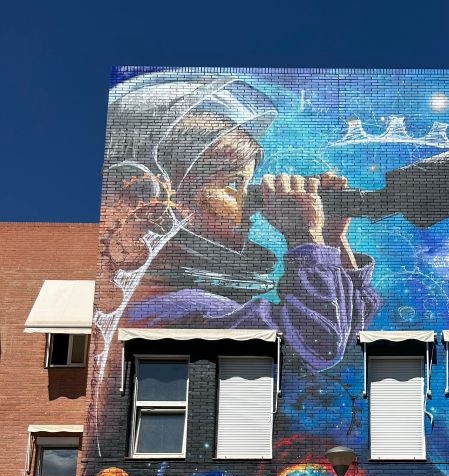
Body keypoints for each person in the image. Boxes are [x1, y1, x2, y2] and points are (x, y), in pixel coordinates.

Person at [101, 72, 380, 371]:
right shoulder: (175, 305)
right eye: (233, 184)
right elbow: (321, 342)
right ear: (159, 196)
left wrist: (330, 239)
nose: (249, 202)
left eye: (249, 185)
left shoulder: (196, 297)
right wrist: (304, 236)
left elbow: (347, 329)